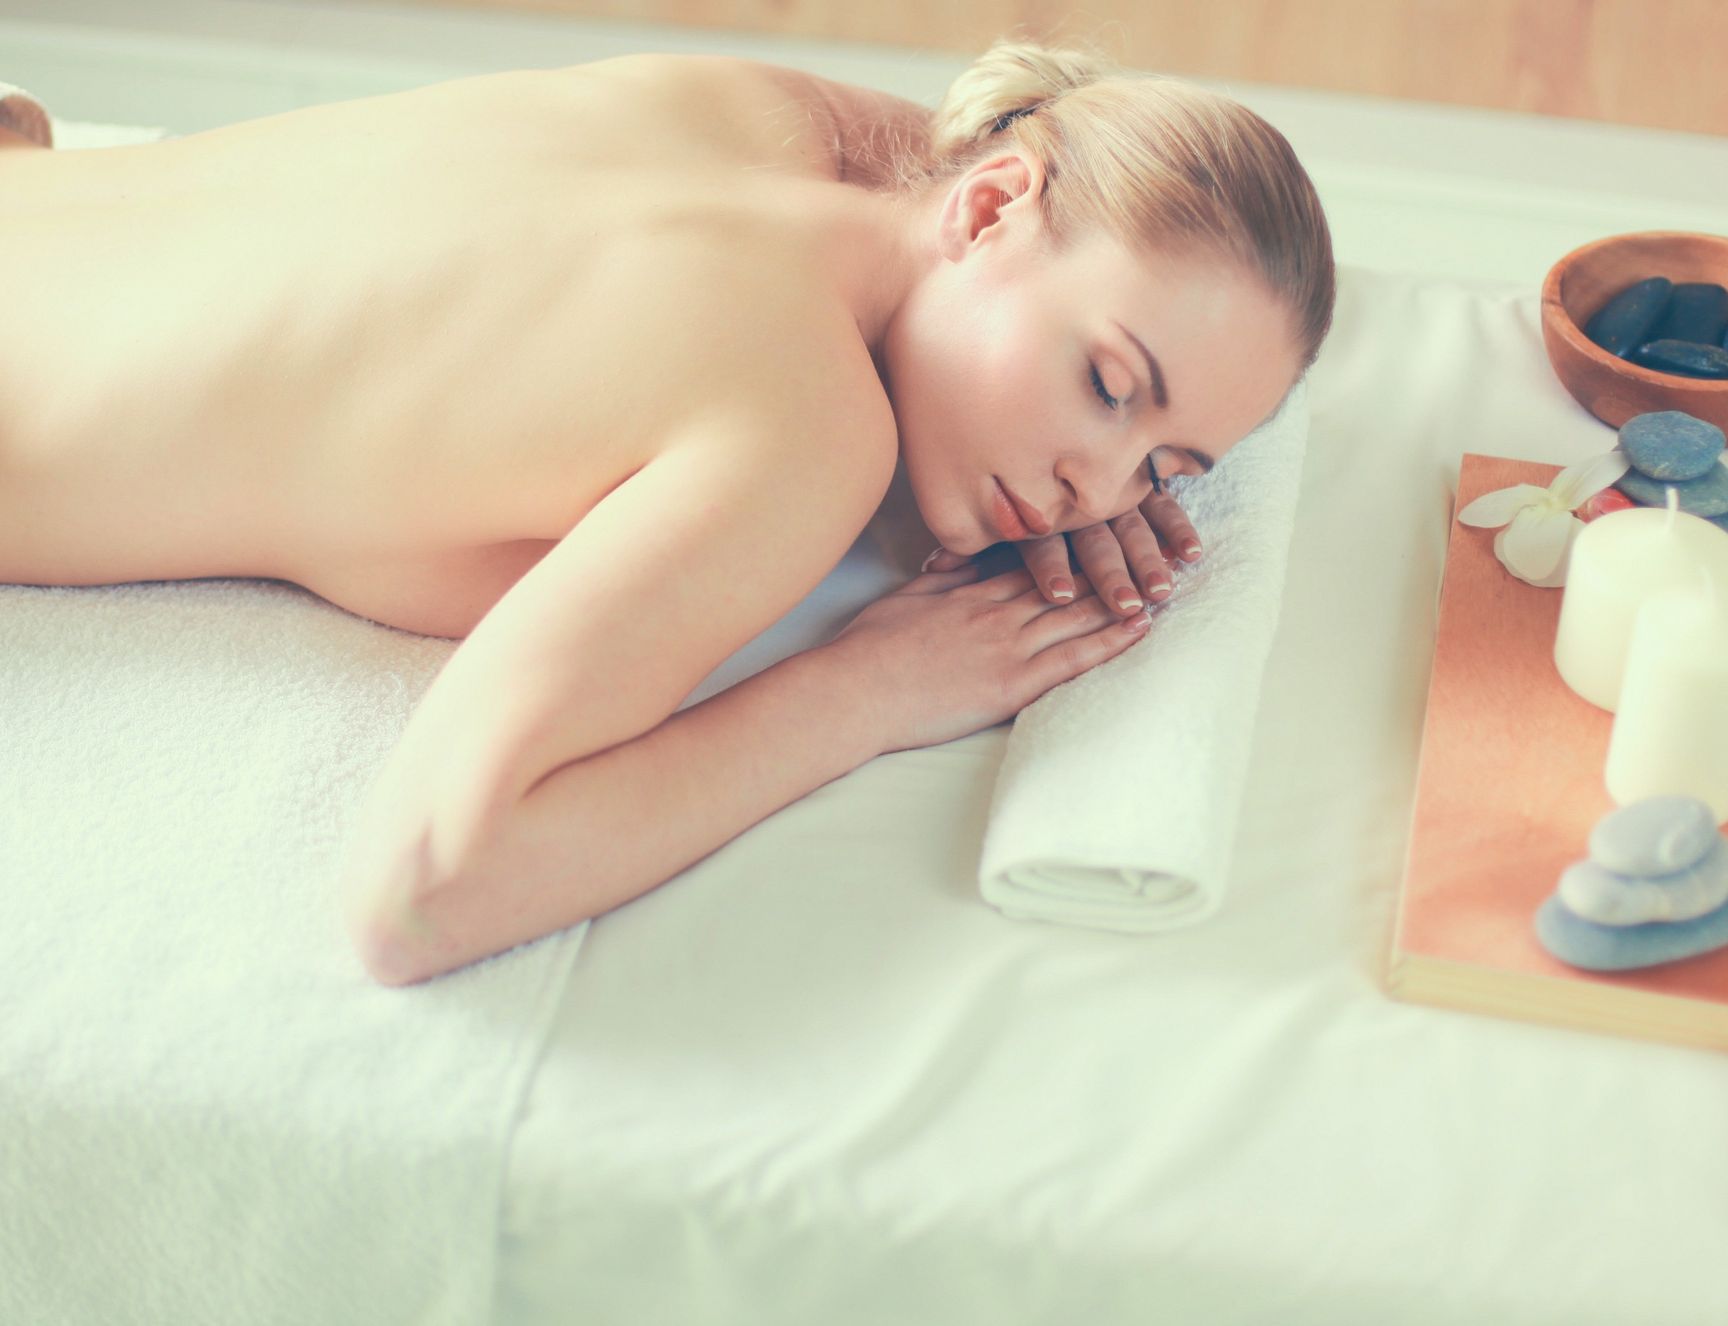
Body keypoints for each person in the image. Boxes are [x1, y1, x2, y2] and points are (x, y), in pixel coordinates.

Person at [0, 40, 1334, 983]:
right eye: (1107, 385)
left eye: (1167, 471)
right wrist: (870, 689)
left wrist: (1081, 411)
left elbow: (1028, 154)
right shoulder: (806, 433)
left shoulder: (760, 120)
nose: (1091, 497)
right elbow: (419, 894)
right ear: (986, 209)